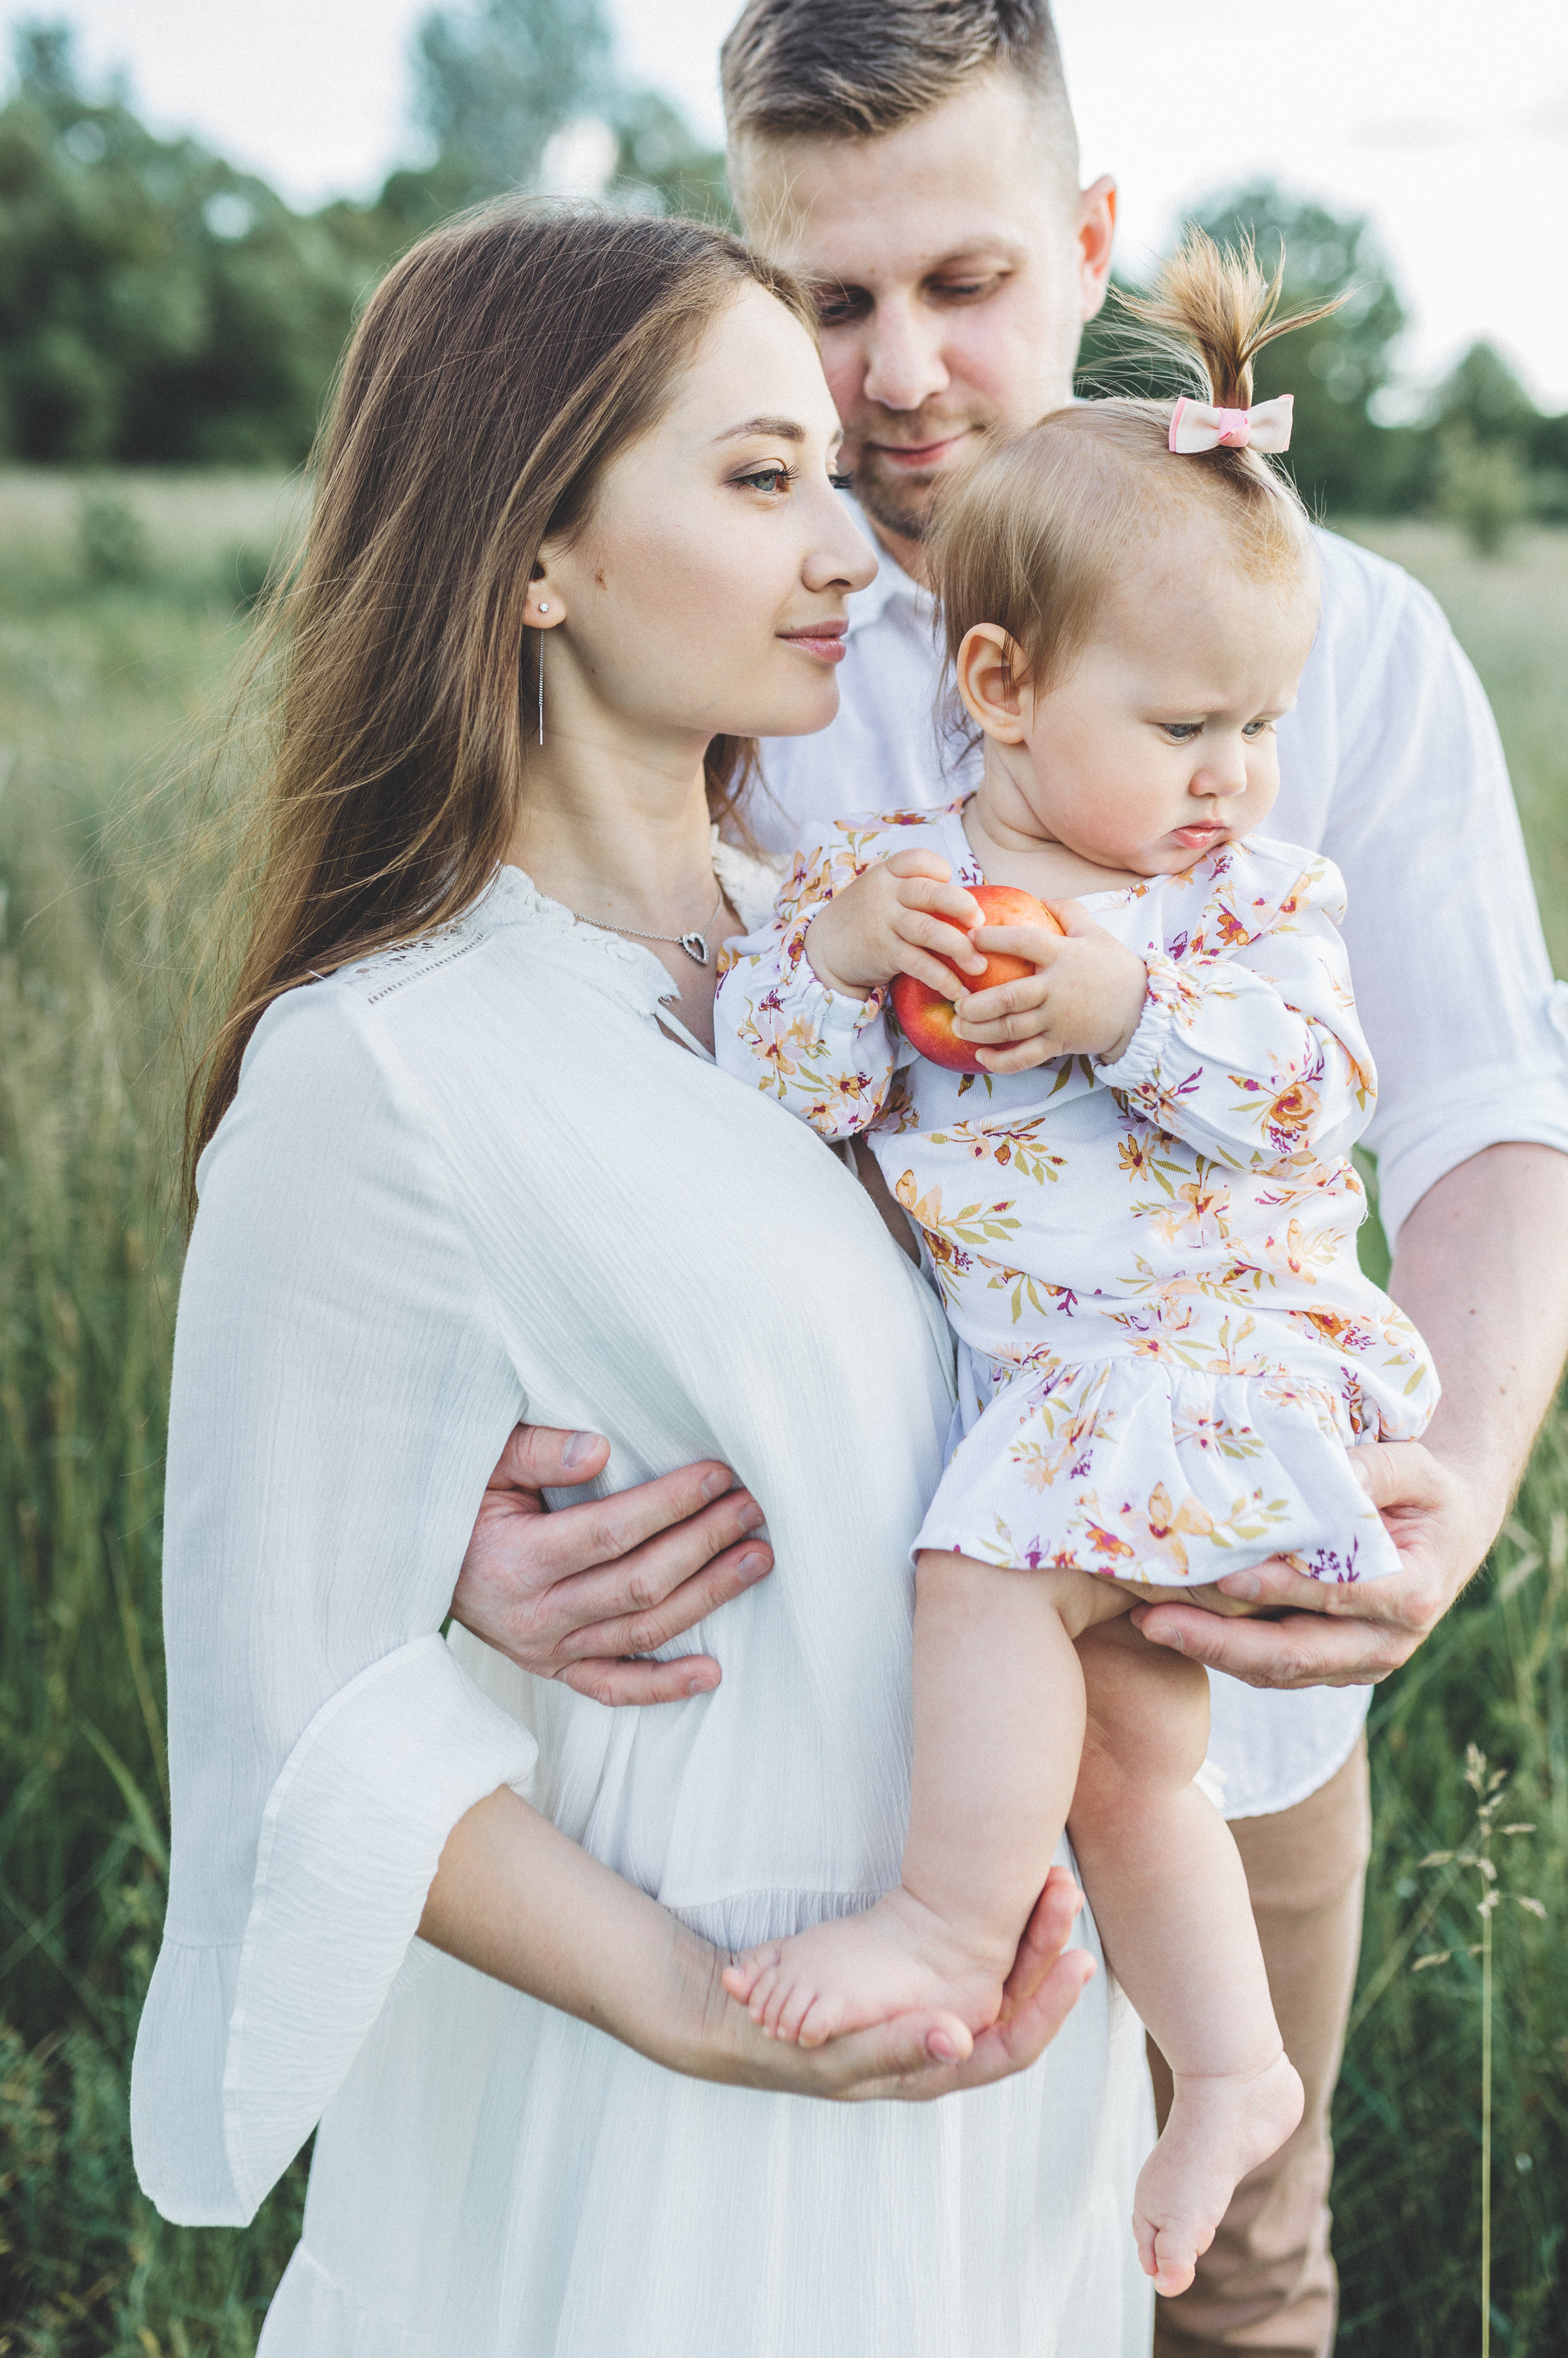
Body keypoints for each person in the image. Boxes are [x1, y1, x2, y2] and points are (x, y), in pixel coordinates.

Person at [448, 0, 1568, 2353]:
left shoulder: (1327, 645)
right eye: (829, 300)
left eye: (967, 283)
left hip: (1219, 1642)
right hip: (763, 1700)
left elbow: (1497, 1107)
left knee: (1230, 2267)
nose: (899, 377)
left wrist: (1459, 1498)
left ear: (1090, 248)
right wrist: (449, 1499)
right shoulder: (681, 617)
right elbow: (477, 1090)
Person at [131, 201, 1154, 2357]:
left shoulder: (877, 952)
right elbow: (298, 1717)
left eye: (831, 481)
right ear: (533, 555)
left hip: (993, 2055)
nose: (852, 557)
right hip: (673, 2100)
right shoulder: (384, 1071)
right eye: (758, 477)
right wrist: (703, 2020)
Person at [716, 234, 1447, 2293]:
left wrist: (1128, 1006)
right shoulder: (906, 886)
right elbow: (783, 1097)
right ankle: (1229, 2066)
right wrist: (832, 967)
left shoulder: (1242, 916)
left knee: (980, 1574)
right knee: (1130, 1756)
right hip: (1070, 1393)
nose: (1235, 776)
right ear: (1005, 687)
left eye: (1262, 724)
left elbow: (1317, 1093)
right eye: (1192, 725)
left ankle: (950, 1924)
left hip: (1203, 1361)